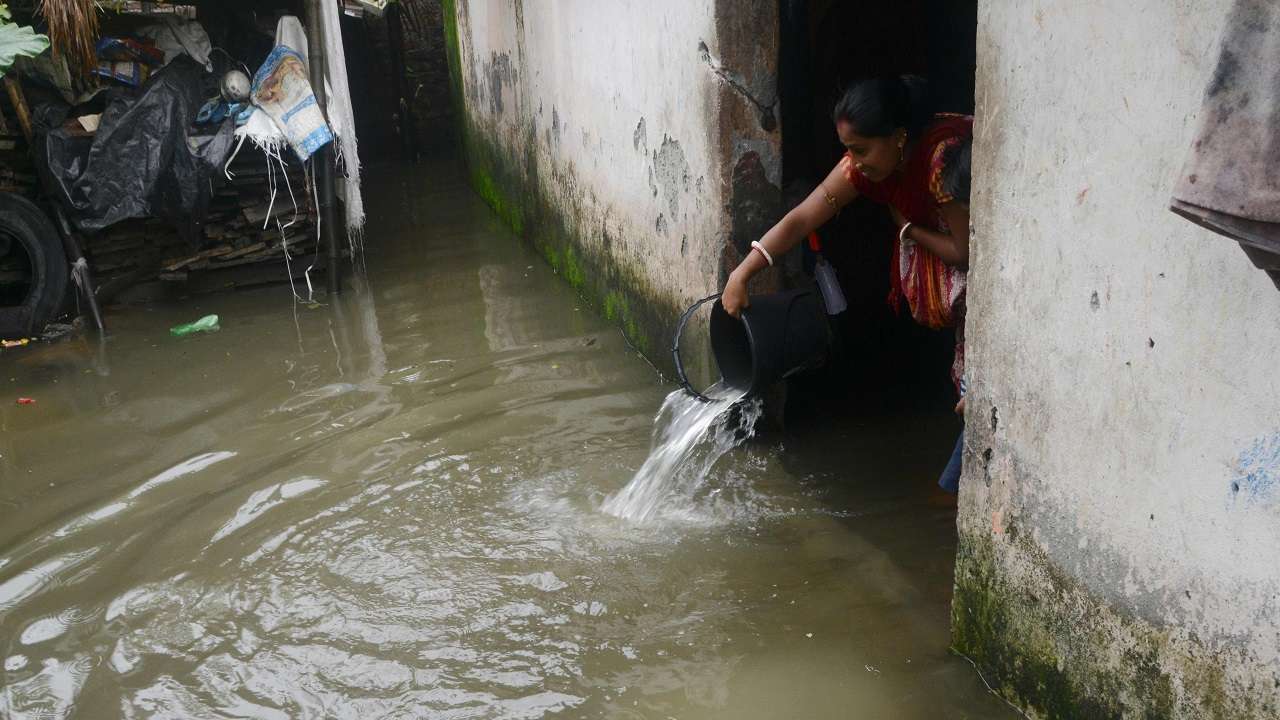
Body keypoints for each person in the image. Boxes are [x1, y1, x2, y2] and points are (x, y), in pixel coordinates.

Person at [721, 75, 973, 489]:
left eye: (860, 150)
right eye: (848, 151)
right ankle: (949, 492)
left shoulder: (942, 161)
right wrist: (743, 272)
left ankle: (953, 492)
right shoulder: (863, 166)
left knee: (971, 390)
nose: (854, 162)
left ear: (898, 138)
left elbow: (964, 253)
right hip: (943, 243)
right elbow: (803, 217)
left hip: (981, 261)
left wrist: (908, 229)